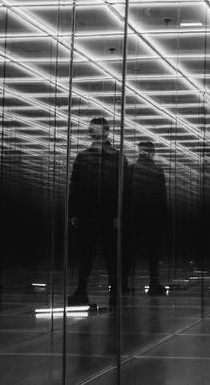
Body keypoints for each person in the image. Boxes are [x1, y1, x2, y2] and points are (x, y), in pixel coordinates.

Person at [67, 117, 128, 306]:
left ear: (106, 131)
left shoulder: (108, 157)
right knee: (91, 252)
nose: (92, 130)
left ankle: (102, 289)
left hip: (102, 212)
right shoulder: (92, 157)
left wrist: (120, 214)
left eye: (95, 127)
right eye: (91, 127)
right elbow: (75, 185)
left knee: (107, 253)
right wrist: (74, 211)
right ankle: (87, 289)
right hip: (94, 212)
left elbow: (125, 189)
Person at [125, 141, 169, 297]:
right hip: (153, 216)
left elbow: (125, 194)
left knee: (131, 250)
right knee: (153, 252)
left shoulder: (131, 170)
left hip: (134, 215)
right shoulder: (157, 170)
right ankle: (154, 282)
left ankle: (123, 282)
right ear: (153, 152)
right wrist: (164, 217)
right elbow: (162, 196)